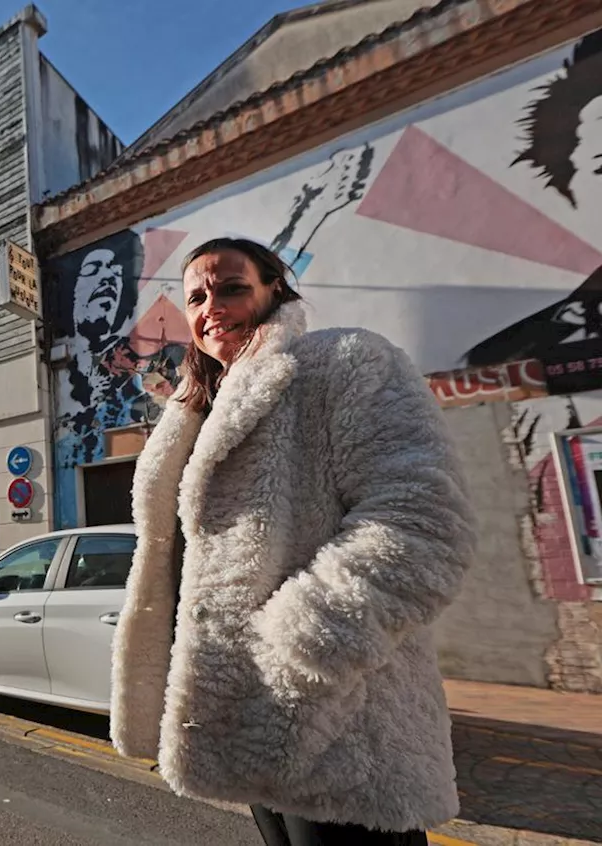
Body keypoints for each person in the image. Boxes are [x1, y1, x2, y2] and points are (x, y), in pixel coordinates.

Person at [110, 237, 475, 846]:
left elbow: (424, 522)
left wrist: (299, 650)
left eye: (232, 287)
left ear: (274, 289)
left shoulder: (343, 363)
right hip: (241, 722)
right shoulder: (199, 410)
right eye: (197, 296)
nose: (211, 308)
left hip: (333, 722)